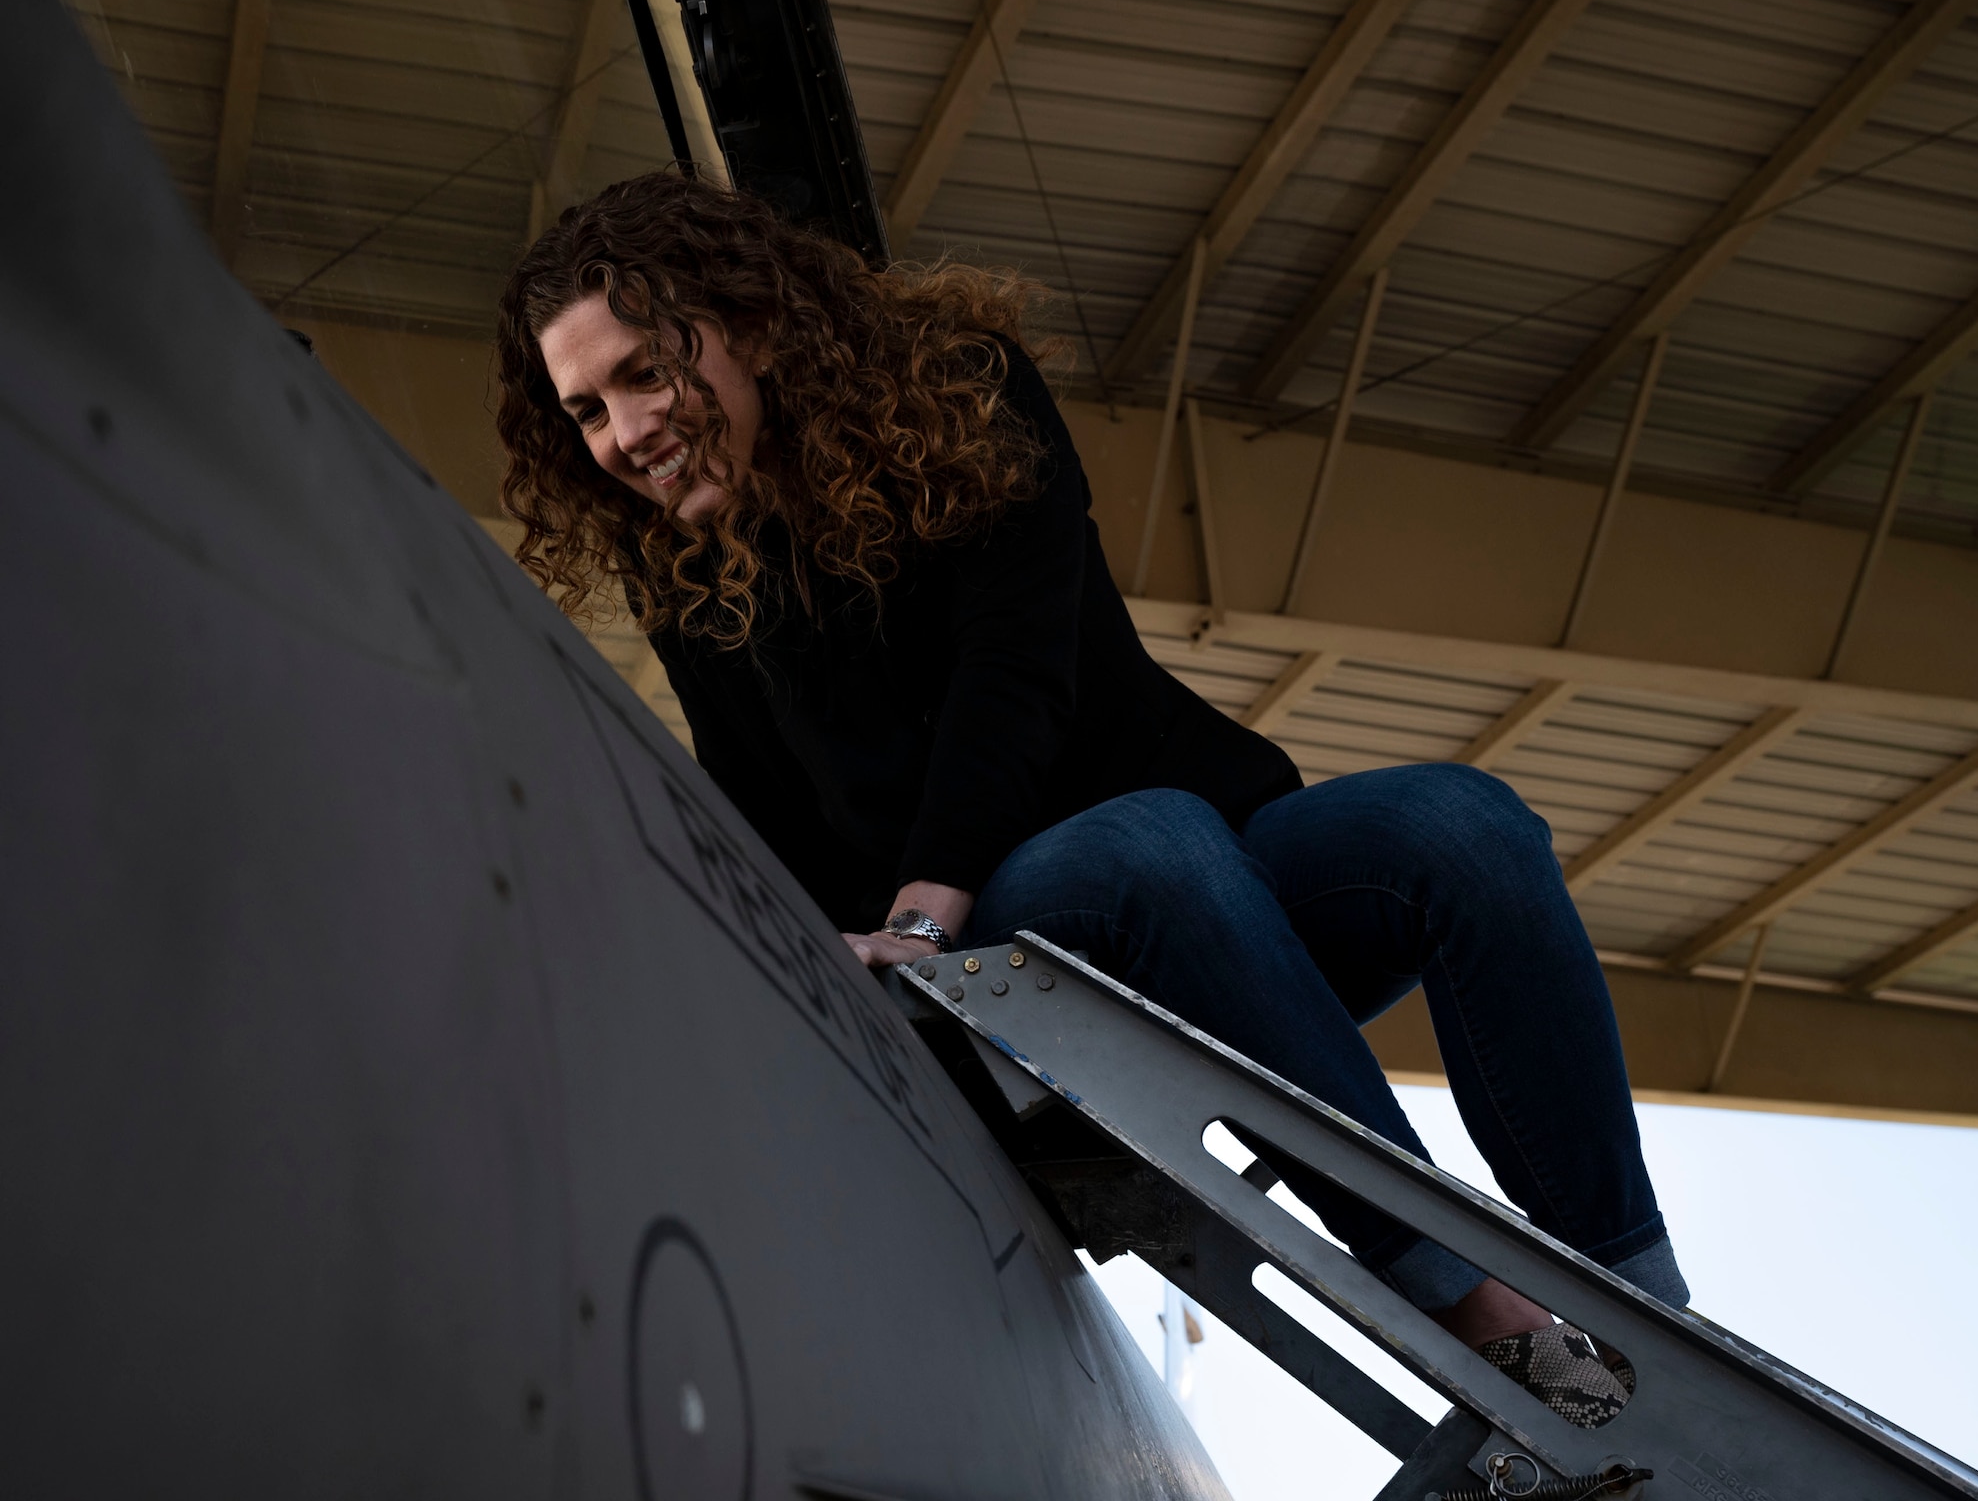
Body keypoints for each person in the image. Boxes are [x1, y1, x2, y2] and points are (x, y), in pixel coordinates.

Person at [496, 172, 1689, 1431]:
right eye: (584, 410)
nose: (623, 431)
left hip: (1195, 900)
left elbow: (1018, 671)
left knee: (1465, 824)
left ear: (748, 318)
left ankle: (1649, 1325)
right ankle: (1485, 1326)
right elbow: (752, 801)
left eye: (641, 373)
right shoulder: (687, 565)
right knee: (1146, 844)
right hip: (1017, 972)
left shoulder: (956, 389)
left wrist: (919, 908)